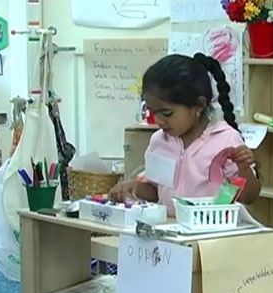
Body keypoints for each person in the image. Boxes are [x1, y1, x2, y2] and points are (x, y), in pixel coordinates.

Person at [109, 53, 261, 214]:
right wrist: (136, 188)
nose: (159, 121)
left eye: (167, 114)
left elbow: (249, 197)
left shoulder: (225, 140)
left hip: (209, 233)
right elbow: (156, 191)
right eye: (153, 112)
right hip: (169, 231)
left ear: (199, 106)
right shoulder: (159, 141)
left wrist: (244, 169)